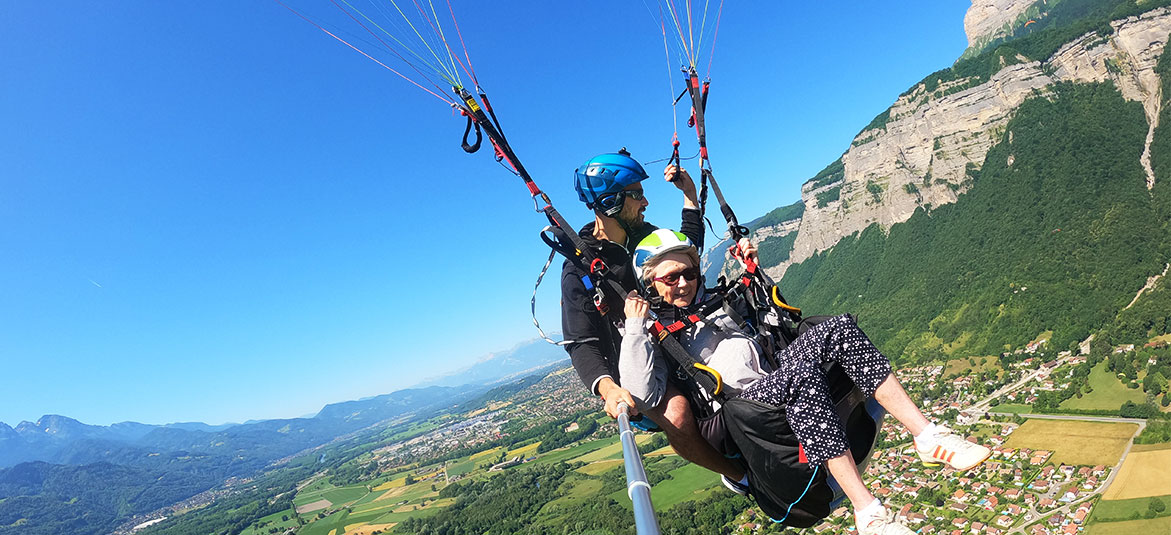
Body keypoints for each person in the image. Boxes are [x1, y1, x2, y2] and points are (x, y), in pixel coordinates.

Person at [619, 229, 993, 535]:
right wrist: (636, 326)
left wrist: (752, 268)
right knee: (798, 376)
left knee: (839, 328)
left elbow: (773, 319)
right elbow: (642, 392)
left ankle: (928, 436)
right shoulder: (653, 335)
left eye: (690, 273)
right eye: (672, 277)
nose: (684, 283)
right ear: (652, 284)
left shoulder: (718, 302)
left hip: (779, 376)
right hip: (744, 410)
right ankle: (870, 514)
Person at [560, 150, 744, 483]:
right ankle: (738, 476)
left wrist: (689, 196)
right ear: (612, 201)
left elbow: (683, 252)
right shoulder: (581, 268)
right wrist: (607, 388)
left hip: (672, 334)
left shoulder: (643, 236)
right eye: (636, 194)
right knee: (677, 412)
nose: (645, 202)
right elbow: (580, 341)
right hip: (637, 360)